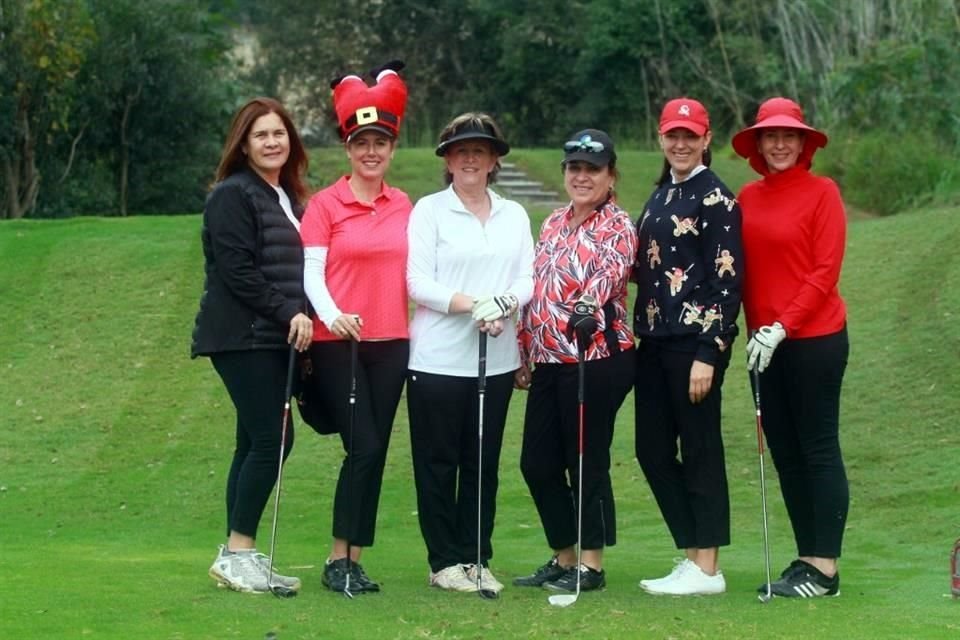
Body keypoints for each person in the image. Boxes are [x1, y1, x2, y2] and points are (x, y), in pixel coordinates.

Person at [406, 113, 534, 594]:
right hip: (437, 361)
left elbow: (527, 277)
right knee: (438, 463)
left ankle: (476, 556)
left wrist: (502, 302)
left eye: (479, 150)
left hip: (496, 361)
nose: (470, 158)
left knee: (482, 461)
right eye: (460, 150)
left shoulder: (514, 214)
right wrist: (471, 303)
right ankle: (444, 562)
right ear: (448, 159)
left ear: (494, 158)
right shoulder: (430, 211)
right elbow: (418, 282)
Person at [192, 97, 313, 594]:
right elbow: (238, 271)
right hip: (242, 336)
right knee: (273, 439)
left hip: (270, 339)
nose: (271, 142)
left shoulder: (285, 196)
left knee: (253, 442)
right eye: (261, 134)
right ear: (243, 144)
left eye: (279, 133)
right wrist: (290, 313)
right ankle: (239, 550)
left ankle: (235, 555)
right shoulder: (233, 195)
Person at [300, 62, 412, 594]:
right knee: (363, 446)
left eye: (381, 143)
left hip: (392, 343)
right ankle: (335, 558)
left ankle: (352, 558)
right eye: (362, 142)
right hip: (337, 343)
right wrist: (331, 315)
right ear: (348, 147)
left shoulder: (405, 205)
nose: (372, 152)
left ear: (391, 149)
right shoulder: (325, 205)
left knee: (373, 451)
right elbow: (312, 272)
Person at [731, 97, 849, 598]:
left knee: (817, 448)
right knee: (786, 453)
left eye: (789, 136)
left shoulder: (823, 192)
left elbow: (824, 272)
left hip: (815, 339)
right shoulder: (747, 198)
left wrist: (783, 325)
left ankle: (825, 568)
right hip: (765, 347)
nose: (779, 143)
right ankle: (806, 559)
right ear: (758, 144)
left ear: (804, 143)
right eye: (770, 136)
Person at [513, 129, 636, 594]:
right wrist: (524, 349)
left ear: (610, 176)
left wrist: (585, 307)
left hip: (597, 356)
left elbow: (608, 276)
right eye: (575, 168)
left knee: (584, 459)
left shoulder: (619, 225)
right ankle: (564, 555)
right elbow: (536, 290)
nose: (582, 177)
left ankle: (591, 564)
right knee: (537, 462)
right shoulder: (551, 223)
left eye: (593, 169)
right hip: (548, 359)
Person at [631, 98, 743, 596]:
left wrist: (709, 351)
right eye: (672, 135)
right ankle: (691, 554)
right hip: (653, 340)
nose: (680, 143)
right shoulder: (661, 194)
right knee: (651, 450)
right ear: (661, 139)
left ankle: (708, 567)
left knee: (699, 449)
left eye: (689, 136)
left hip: (693, 344)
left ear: (705, 139)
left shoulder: (716, 198)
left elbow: (728, 282)